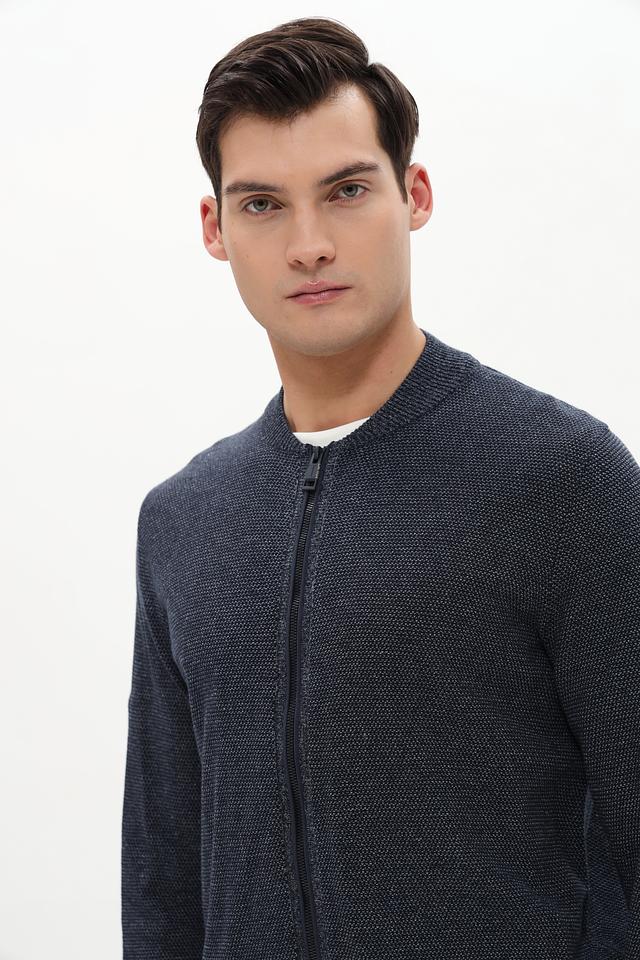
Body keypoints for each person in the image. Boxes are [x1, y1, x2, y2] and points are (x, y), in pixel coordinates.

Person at [120, 16, 638, 960]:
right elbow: (163, 882)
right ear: (215, 229)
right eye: (263, 204)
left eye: (347, 190)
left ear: (415, 194)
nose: (309, 244)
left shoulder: (562, 478)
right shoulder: (183, 522)